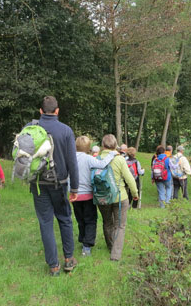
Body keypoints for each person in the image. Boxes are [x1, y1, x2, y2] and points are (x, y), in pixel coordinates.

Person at [30, 96, 79, 276]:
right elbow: (72, 162)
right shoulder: (65, 130)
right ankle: (68, 260)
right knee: (65, 219)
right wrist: (74, 188)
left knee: (45, 223)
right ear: (57, 111)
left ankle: (53, 266)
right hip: (59, 183)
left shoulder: (30, 128)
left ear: (41, 111)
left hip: (37, 183)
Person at [97, 134, 138, 261]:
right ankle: (115, 254)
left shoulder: (97, 158)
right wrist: (135, 194)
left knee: (107, 222)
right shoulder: (120, 159)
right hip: (120, 197)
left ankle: (111, 246)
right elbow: (129, 179)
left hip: (102, 197)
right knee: (120, 225)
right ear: (115, 145)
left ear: (103, 145)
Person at [73, 136, 117, 256]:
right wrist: (111, 154)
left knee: (80, 219)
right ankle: (87, 246)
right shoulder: (88, 158)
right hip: (88, 195)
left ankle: (83, 239)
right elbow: (102, 164)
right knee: (90, 220)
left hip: (75, 195)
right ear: (89, 148)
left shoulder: (70, 158)